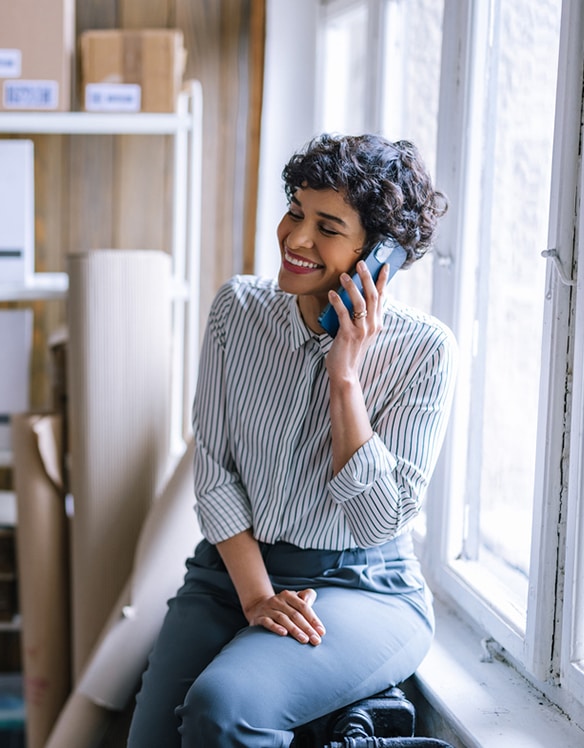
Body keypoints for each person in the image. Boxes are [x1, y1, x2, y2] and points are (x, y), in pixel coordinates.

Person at [127, 133, 457, 747]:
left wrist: (345, 378)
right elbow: (215, 474)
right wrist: (257, 598)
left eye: (327, 226)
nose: (296, 239)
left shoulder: (426, 351)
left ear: (379, 255)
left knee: (223, 710)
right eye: (296, 212)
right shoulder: (237, 311)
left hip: (362, 586)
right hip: (231, 571)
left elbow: (377, 520)